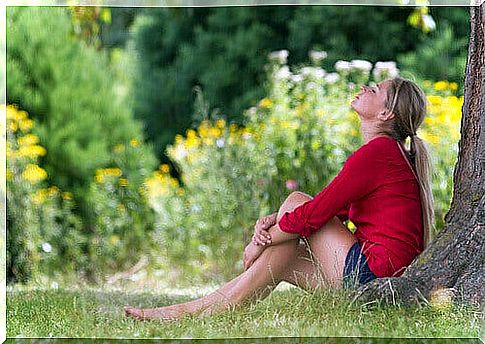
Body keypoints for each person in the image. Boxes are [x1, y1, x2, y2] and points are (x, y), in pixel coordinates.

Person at [124, 77, 435, 321]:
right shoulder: (387, 155)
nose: (366, 87)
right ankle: (197, 310)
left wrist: (261, 240)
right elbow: (335, 212)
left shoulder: (379, 152)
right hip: (373, 288)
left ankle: (190, 312)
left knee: (297, 201)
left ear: (384, 113)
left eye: (375, 89)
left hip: (373, 282)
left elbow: (314, 213)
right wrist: (275, 225)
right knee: (281, 261)